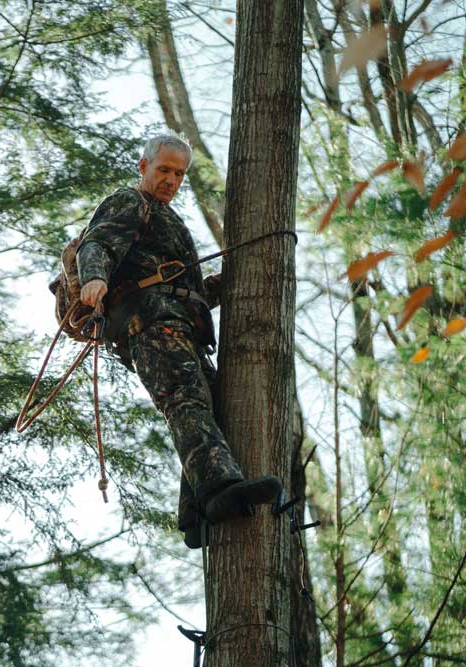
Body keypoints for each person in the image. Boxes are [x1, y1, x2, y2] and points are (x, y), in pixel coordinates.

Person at [76, 134, 281, 548]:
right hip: (150, 324)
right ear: (144, 167)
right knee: (185, 400)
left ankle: (193, 512)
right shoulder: (130, 202)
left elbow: (188, 290)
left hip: (180, 325)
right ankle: (218, 488)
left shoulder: (167, 219)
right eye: (164, 170)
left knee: (211, 402)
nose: (171, 179)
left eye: (179, 174)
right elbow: (97, 241)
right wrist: (95, 276)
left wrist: (234, 280)